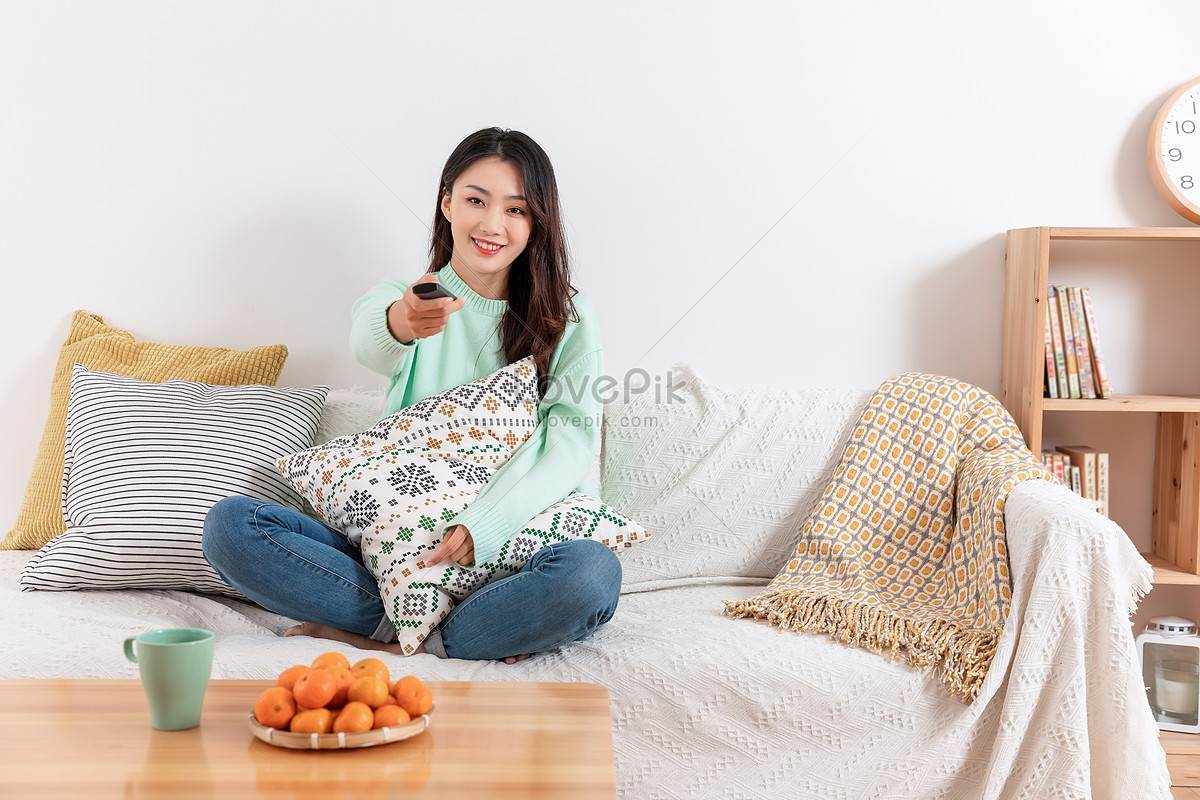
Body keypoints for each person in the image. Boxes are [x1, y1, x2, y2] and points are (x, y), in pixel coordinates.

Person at [202, 128, 620, 664]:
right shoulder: (404, 299)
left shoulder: (569, 322)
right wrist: (405, 320)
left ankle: (404, 634)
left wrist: (483, 527)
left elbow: (569, 444)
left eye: (516, 210)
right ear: (447, 202)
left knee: (593, 575)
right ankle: (457, 635)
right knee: (232, 527)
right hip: (394, 552)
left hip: (509, 553)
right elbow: (374, 339)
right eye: (476, 201)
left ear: (537, 222)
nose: (493, 225)